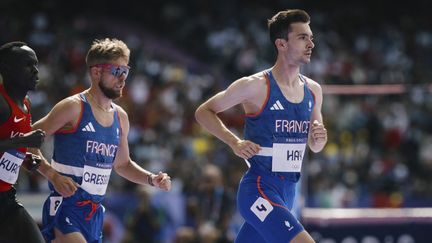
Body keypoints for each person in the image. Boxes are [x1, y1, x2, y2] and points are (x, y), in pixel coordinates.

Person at [195, 9, 327, 243]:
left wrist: (318, 138)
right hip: (258, 190)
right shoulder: (255, 86)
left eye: (311, 37)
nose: (311, 44)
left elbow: (316, 146)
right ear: (281, 43)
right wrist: (234, 141)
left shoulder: (313, 90)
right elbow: (203, 111)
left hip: (288, 194)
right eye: (302, 37)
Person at [30, 38, 172, 243]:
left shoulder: (121, 116)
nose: (122, 78)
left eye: (126, 71)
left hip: (94, 213)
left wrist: (151, 179)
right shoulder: (73, 107)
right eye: (116, 71)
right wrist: (52, 175)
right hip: (65, 206)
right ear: (96, 72)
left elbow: (122, 164)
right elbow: (25, 140)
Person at [0, 41, 78, 243]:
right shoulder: (1, 103)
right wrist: (23, 140)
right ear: (6, 68)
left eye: (36, 64)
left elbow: (17, 154)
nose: (36, 71)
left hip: (6, 199)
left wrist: (42, 169)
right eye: (28, 65)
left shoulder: (25, 104)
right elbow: (17, 143)